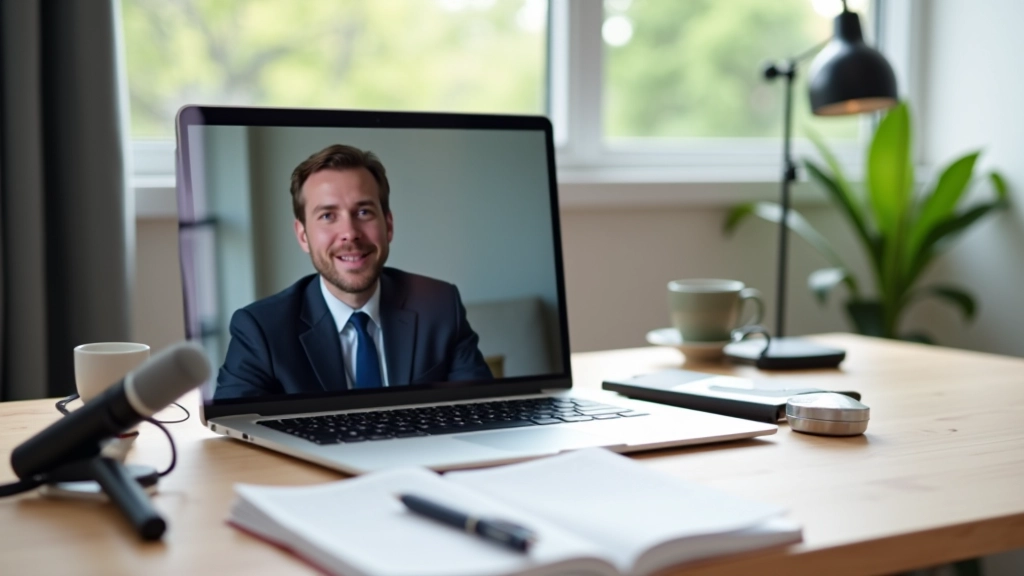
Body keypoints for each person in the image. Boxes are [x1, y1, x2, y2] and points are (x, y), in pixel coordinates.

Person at [215, 144, 492, 399]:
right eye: (327, 216)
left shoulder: (441, 306)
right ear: (302, 235)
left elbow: (480, 409)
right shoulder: (260, 329)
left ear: (389, 225)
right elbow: (236, 436)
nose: (349, 233)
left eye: (363, 212)